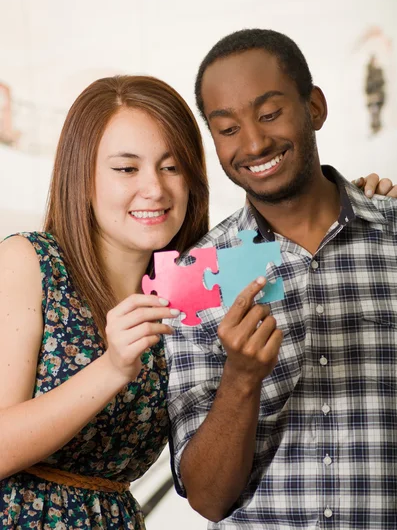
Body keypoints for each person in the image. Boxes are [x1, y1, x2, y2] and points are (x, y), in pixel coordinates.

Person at [165, 29, 397, 530]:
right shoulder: (195, 276)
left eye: (270, 114)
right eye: (227, 129)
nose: (253, 143)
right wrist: (241, 379)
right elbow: (207, 499)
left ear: (314, 107)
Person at [0, 75, 209, 529]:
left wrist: (355, 202)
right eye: (127, 168)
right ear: (83, 175)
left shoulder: (189, 290)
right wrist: (112, 368)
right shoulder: (29, 262)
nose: (154, 188)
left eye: (172, 167)